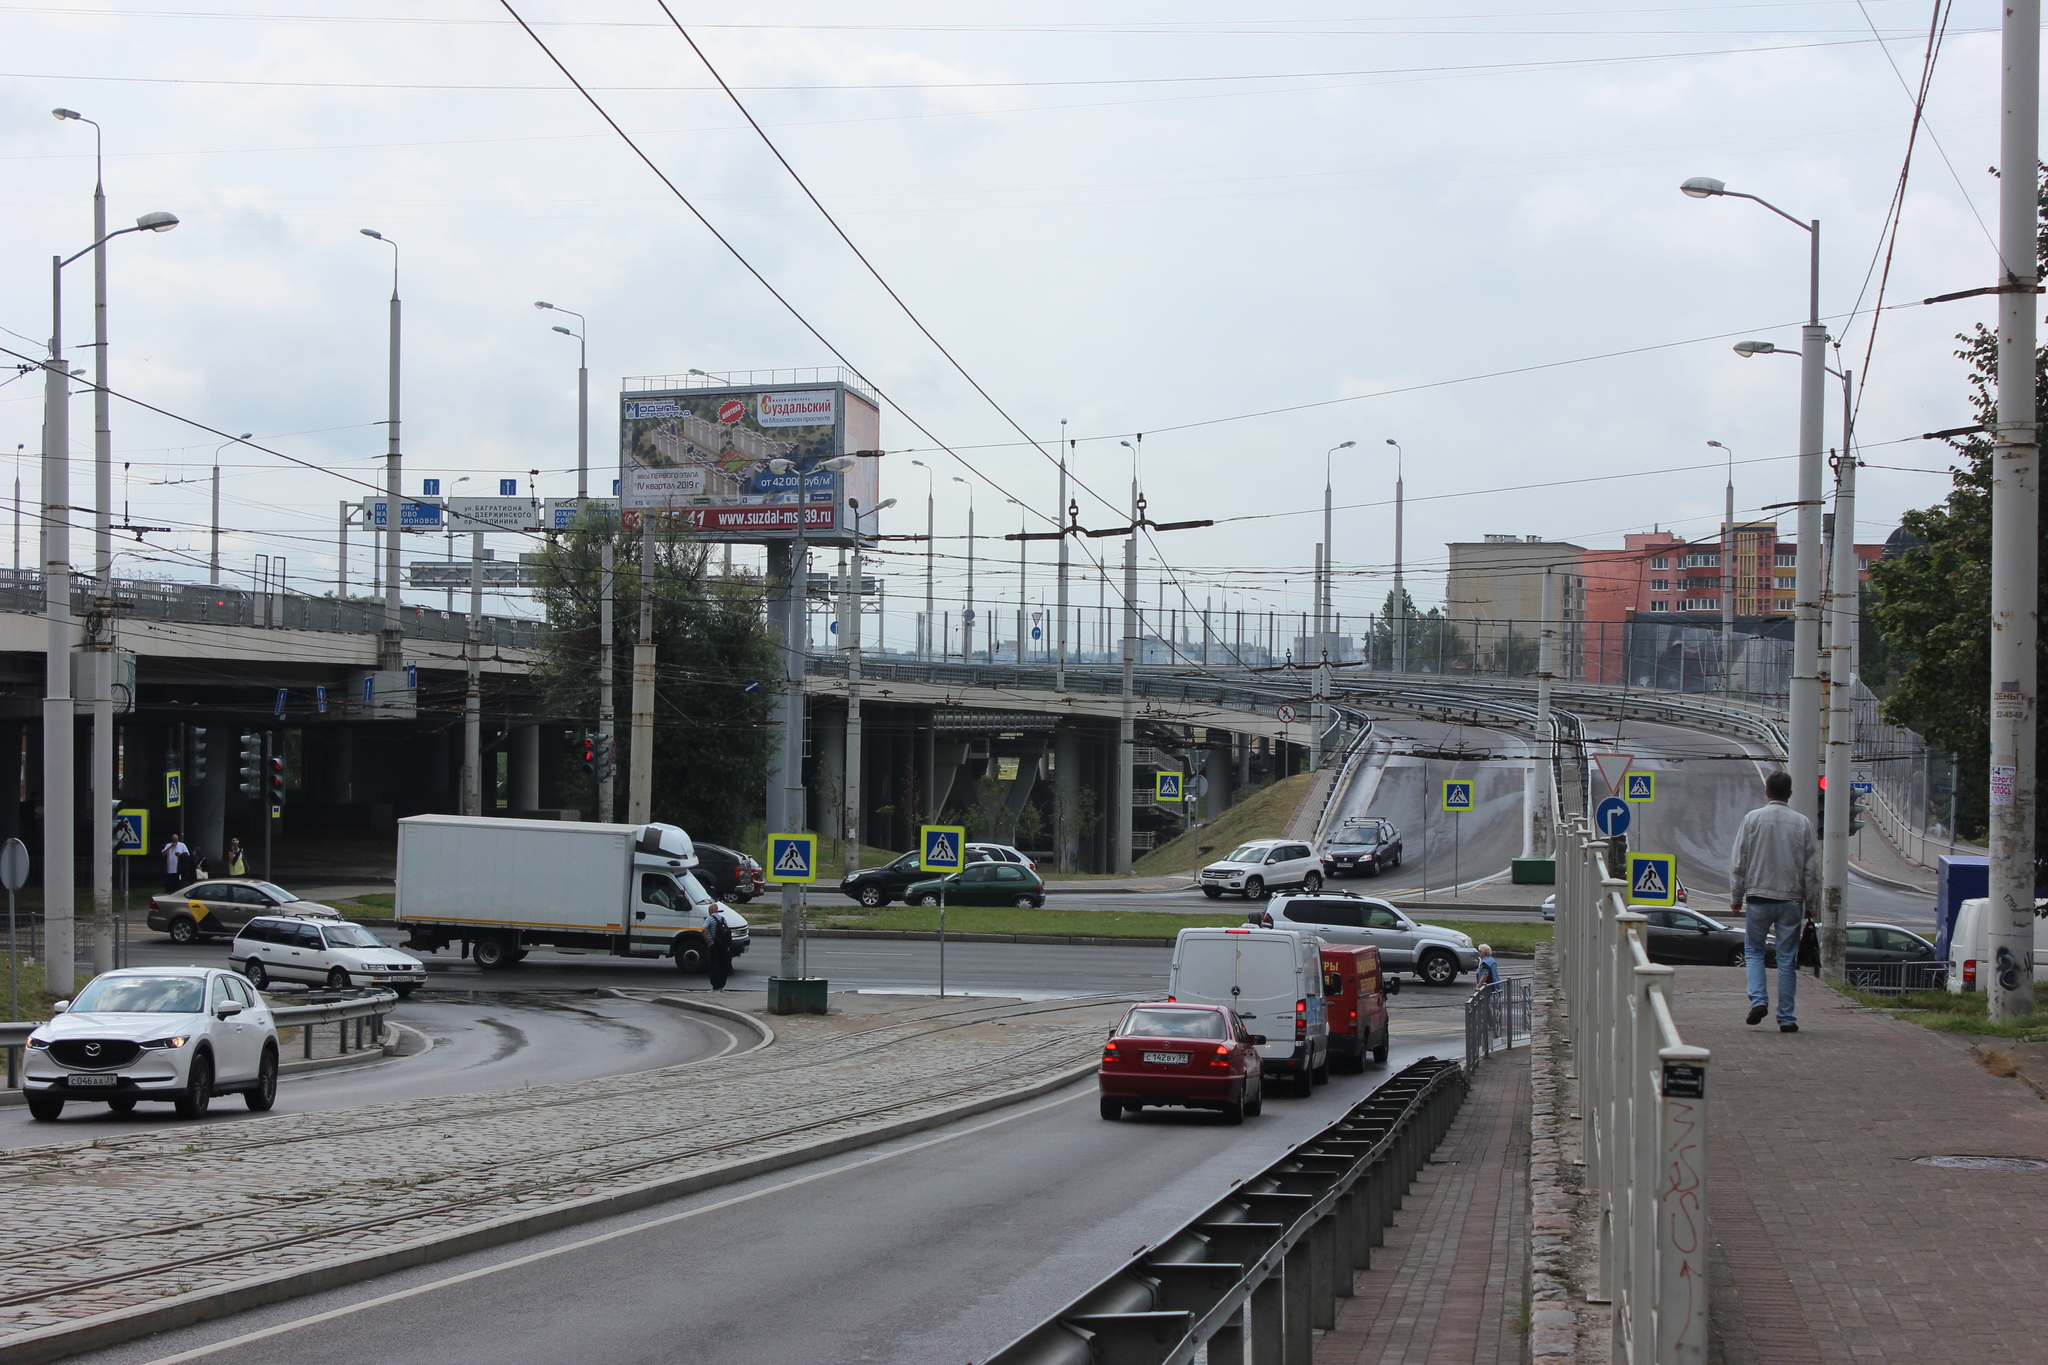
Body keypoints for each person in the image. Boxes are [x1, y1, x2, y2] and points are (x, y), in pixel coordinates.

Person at [1730, 769, 1819, 1033]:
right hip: (1792, 900)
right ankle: (1787, 1017)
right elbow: (1812, 871)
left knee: (1755, 951)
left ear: (1767, 791)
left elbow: (1739, 862)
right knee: (1786, 958)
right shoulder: (1803, 823)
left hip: (1758, 897)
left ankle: (1758, 1000)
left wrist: (1736, 895)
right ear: (1789, 794)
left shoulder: (1752, 819)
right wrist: (1812, 903)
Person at [705, 907, 733, 991]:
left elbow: (703, 928)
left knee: (714, 965)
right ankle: (721, 986)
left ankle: (715, 987)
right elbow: (728, 930)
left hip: (714, 944)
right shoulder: (722, 919)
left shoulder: (709, 919)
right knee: (722, 965)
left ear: (711, 911)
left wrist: (707, 939)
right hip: (723, 945)